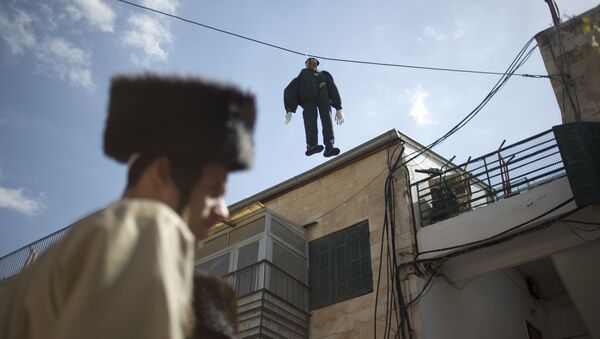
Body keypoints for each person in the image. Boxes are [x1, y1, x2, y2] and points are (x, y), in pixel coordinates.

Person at [0, 74, 256, 339]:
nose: (222, 211)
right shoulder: (150, 225)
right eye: (213, 190)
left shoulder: (41, 270)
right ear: (163, 172)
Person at [283, 57, 345, 157]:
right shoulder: (302, 75)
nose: (311, 64)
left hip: (323, 97)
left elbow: (333, 88)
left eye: (313, 62)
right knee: (310, 120)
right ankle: (311, 145)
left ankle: (329, 145)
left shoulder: (324, 74)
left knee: (327, 118)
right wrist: (289, 110)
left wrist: (338, 108)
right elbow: (289, 90)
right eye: (309, 62)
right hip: (308, 100)